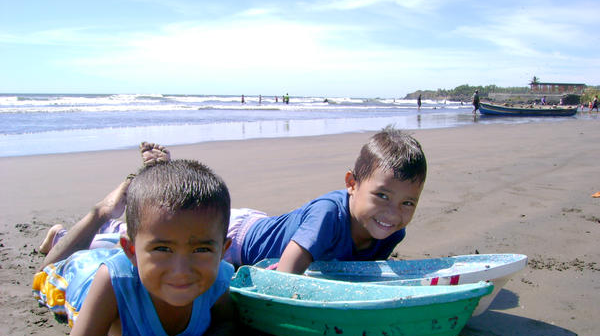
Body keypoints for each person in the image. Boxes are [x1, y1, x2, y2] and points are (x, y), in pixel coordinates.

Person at [42, 128, 426, 276]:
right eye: (382, 196)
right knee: (135, 238)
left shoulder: (389, 230)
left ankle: (164, 177)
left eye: (409, 203)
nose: (394, 213)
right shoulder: (329, 215)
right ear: (351, 185)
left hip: (264, 225)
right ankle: (103, 212)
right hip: (238, 237)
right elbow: (284, 275)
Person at [33, 159, 238, 336]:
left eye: (201, 250)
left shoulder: (218, 278)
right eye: (163, 249)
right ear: (131, 251)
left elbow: (226, 322)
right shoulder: (112, 281)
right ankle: (95, 216)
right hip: (82, 278)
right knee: (47, 273)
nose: (181, 270)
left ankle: (73, 236)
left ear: (222, 251)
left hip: (126, 258)